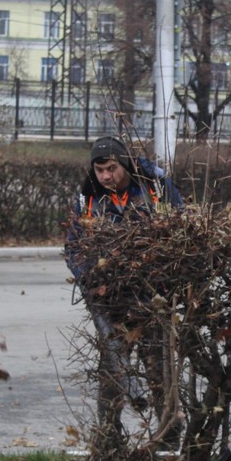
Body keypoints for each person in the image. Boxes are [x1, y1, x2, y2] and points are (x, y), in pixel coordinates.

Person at [65, 136, 184, 433]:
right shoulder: (88, 196)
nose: (105, 176)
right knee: (112, 368)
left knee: (158, 366)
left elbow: (182, 230)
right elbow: (73, 246)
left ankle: (169, 433)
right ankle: (109, 437)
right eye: (100, 169)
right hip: (111, 299)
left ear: (125, 164)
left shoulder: (155, 187)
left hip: (152, 295)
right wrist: (87, 276)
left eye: (111, 168)